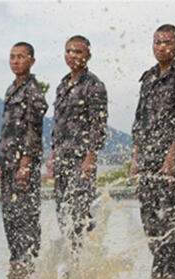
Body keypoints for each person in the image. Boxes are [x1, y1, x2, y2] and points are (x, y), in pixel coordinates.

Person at [130, 24, 175, 279]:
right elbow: (140, 120)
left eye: (168, 42)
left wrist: (171, 158)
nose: (162, 47)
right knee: (151, 224)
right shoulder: (148, 78)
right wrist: (135, 158)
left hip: (171, 165)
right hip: (147, 162)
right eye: (158, 42)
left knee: (173, 226)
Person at [0, 42, 49, 279]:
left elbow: (32, 129)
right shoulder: (11, 89)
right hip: (8, 164)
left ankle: (28, 266)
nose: (15, 61)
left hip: (23, 165)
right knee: (10, 215)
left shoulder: (32, 90)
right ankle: (17, 262)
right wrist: (0, 161)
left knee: (26, 214)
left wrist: (26, 163)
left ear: (32, 60)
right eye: (12, 57)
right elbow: (7, 130)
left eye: (21, 57)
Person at [49, 35, 108, 250]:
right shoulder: (62, 85)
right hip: (62, 159)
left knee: (80, 213)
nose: (73, 55)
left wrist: (90, 158)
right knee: (63, 213)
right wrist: (53, 156)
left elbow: (98, 125)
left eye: (78, 51)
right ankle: (71, 259)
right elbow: (58, 125)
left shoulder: (94, 85)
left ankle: (84, 260)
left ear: (88, 55)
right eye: (69, 51)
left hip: (81, 160)